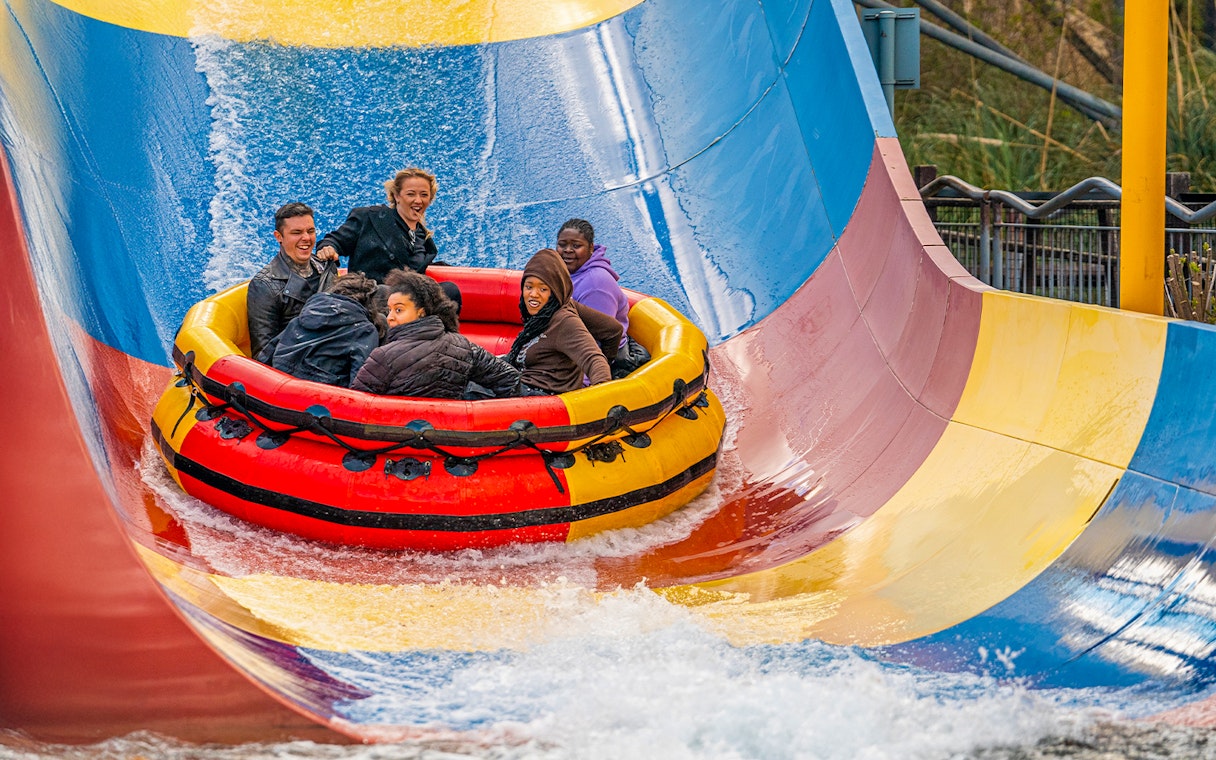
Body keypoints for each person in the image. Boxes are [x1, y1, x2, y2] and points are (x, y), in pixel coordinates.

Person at [350, 270, 519, 399]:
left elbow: (356, 404)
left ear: (421, 312)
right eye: (389, 310)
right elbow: (509, 379)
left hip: (399, 439)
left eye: (399, 310)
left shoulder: (383, 357)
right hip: (451, 437)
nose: (390, 317)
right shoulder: (464, 346)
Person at [315, 167, 461, 306]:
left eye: (424, 195)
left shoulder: (423, 239)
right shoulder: (370, 218)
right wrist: (327, 248)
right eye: (411, 194)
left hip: (406, 304)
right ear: (397, 196)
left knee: (449, 290)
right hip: (370, 300)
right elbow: (334, 241)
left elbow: (413, 271)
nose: (418, 200)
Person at [506, 248, 623, 395]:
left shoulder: (564, 321)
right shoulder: (562, 304)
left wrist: (598, 387)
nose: (533, 294)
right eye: (529, 287)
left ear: (555, 290)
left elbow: (593, 358)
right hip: (525, 383)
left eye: (543, 289)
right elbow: (612, 329)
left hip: (540, 398)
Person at [556, 218, 650, 378]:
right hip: (570, 344)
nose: (568, 250)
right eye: (562, 244)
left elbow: (598, 340)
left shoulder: (595, 284)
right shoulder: (567, 273)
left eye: (576, 246)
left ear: (591, 248)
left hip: (601, 357)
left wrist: (581, 381)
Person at [258, 273, 386, 387]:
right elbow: (359, 382)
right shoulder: (365, 330)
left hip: (281, 379)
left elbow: (266, 356)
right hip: (319, 392)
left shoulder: (307, 313)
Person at [247, 202, 338, 360]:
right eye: (297, 233)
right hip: (301, 363)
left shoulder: (327, 268)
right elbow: (264, 355)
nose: (306, 238)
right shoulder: (264, 285)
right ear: (279, 237)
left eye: (311, 231)